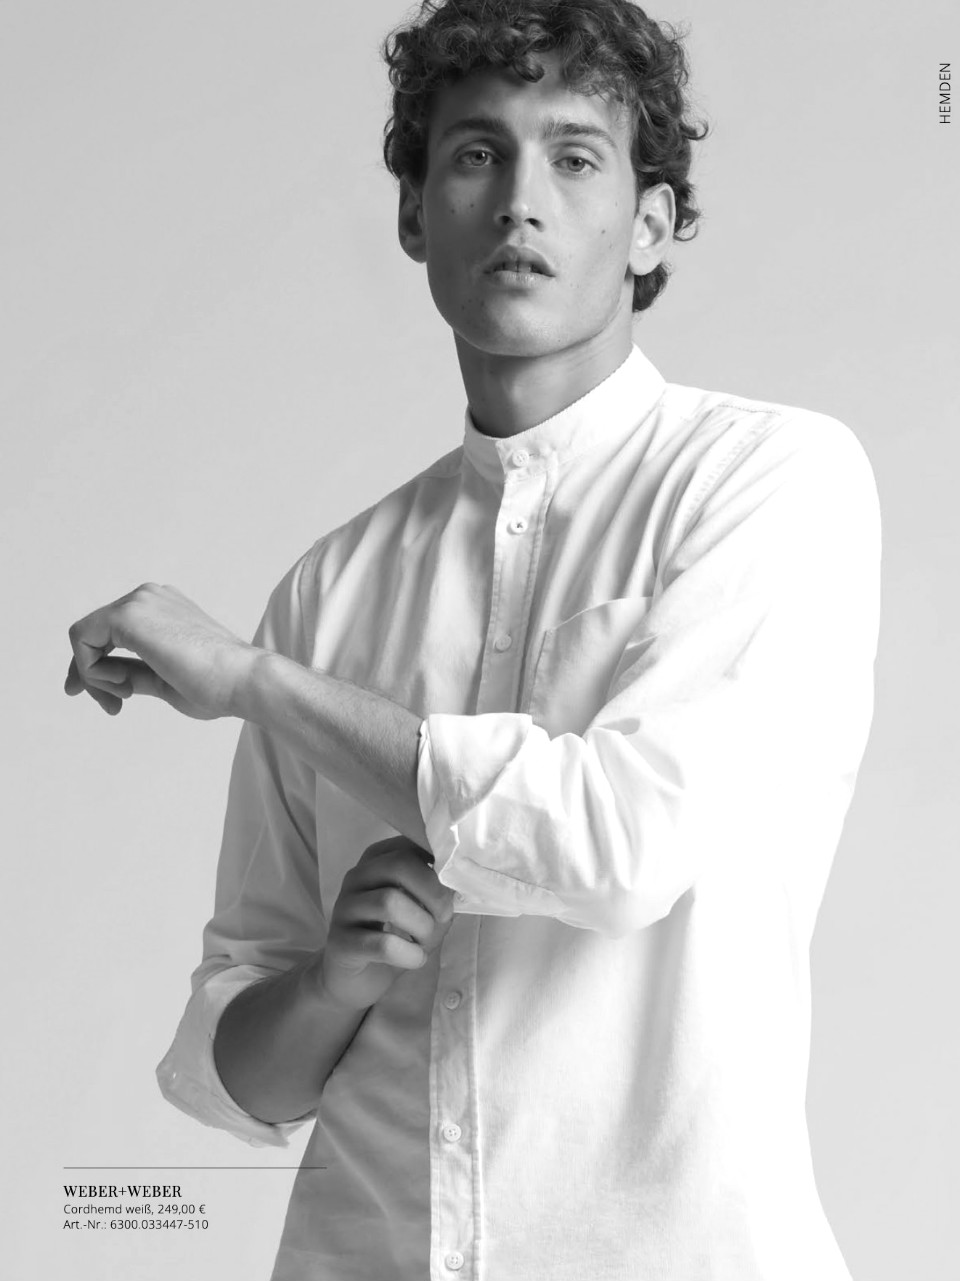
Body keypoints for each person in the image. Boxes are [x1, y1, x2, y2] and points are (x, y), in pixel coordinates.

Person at [64, 1, 881, 1277]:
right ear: (413, 213)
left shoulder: (771, 483)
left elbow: (620, 846)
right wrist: (331, 985)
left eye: (575, 156)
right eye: (476, 154)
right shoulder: (330, 587)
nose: (519, 203)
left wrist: (256, 682)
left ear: (649, 223)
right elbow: (239, 1076)